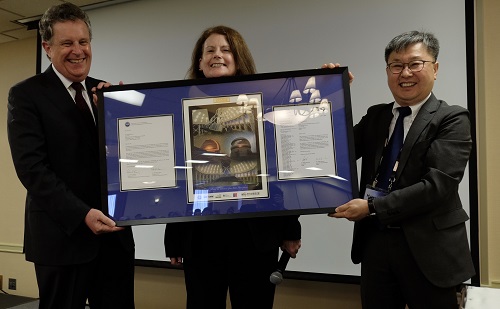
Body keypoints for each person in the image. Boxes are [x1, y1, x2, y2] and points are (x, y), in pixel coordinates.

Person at [329, 30, 475, 309]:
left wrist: (372, 207)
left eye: (415, 63)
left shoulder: (452, 118)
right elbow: (332, 153)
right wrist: (330, 94)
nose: (405, 72)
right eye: (396, 65)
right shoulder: (376, 116)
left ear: (435, 68)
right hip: (376, 244)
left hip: (430, 250)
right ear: (388, 71)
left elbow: (437, 187)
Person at [163, 25, 302, 309]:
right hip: (200, 235)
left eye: (226, 50)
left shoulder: (265, 105)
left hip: (255, 235)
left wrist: (291, 228)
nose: (218, 56)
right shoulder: (180, 108)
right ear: (199, 62)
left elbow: (282, 169)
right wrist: (174, 238)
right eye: (210, 51)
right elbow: (177, 175)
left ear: (238, 59)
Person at [7, 3, 135, 308]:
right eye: (67, 43)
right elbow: (32, 168)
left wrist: (122, 119)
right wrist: (81, 215)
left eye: (83, 42)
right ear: (47, 48)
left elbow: (128, 162)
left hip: (113, 239)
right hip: (61, 239)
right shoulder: (26, 95)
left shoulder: (104, 94)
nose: (78, 51)